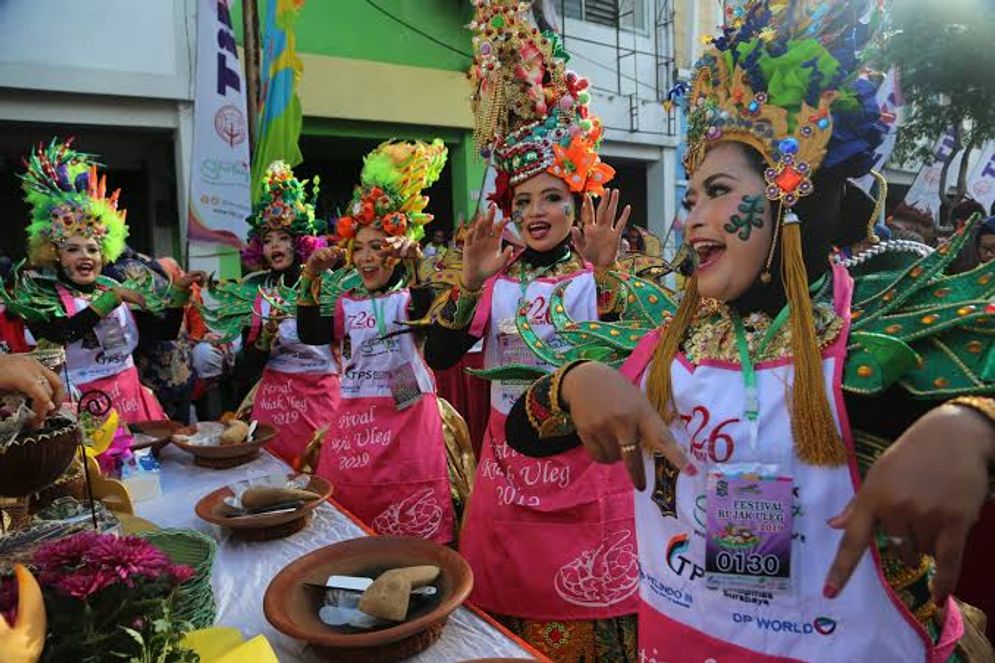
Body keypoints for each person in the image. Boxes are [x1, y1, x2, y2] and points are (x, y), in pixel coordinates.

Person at [501, 2, 994, 660]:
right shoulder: (665, 341)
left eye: (717, 190)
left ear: (790, 197)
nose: (694, 215)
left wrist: (974, 425)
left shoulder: (870, 342)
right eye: (688, 196)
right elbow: (524, 436)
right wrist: (574, 382)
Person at [424, 2, 640, 659]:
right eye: (523, 201)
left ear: (579, 203)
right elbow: (438, 354)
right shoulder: (497, 283)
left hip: (589, 479)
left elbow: (637, 357)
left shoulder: (596, 280)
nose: (536, 212)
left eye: (551, 197)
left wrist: (607, 278)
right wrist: (467, 283)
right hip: (508, 482)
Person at [297, 139, 455, 544]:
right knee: (352, 529)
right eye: (360, 247)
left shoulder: (411, 295)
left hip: (408, 425)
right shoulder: (347, 302)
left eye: (378, 246)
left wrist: (415, 262)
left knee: (411, 533)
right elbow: (310, 333)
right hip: (354, 430)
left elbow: (429, 322)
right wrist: (311, 276)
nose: (367, 258)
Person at [7, 139, 203, 423]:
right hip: (79, 408)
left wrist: (178, 294)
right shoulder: (42, 293)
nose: (84, 256)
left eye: (92, 249)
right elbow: (62, 333)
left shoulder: (114, 286)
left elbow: (163, 332)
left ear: (105, 252)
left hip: (132, 403)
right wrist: (113, 299)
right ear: (54, 254)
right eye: (72, 249)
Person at [202, 162, 337, 465]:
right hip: (274, 401)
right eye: (267, 240)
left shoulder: (327, 285)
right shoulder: (255, 290)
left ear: (301, 242)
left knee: (320, 470)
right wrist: (264, 335)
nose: (275, 246)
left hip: (320, 399)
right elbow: (246, 371)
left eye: (284, 238)